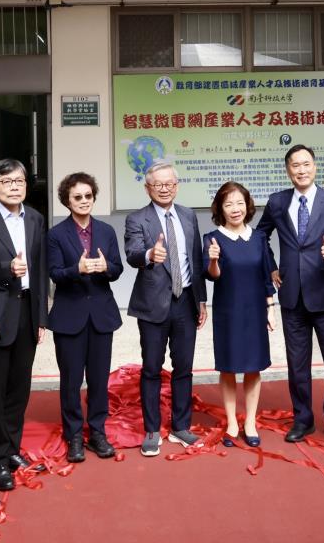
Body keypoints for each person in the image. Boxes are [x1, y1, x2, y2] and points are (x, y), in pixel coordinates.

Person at [256, 144, 324, 444]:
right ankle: (303, 419)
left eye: (306, 164)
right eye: (295, 165)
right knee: (297, 364)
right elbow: (260, 236)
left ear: (315, 166)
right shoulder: (277, 202)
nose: (301, 170)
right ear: (288, 170)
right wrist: (271, 267)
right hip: (291, 294)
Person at [0, 159, 48, 491]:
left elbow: (40, 269)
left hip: (27, 309)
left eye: (19, 181)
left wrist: (41, 316)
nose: (14, 186)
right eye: (7, 181)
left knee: (19, 387)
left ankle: (12, 448)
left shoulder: (35, 218)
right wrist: (7, 269)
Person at [124, 161, 207, 457]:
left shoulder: (188, 215)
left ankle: (181, 426)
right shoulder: (137, 219)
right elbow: (132, 254)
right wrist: (150, 254)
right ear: (147, 188)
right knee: (151, 368)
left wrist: (201, 300)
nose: (164, 189)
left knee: (183, 367)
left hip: (185, 301)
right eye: (158, 184)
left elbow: (196, 259)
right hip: (153, 306)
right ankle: (151, 429)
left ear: (177, 185)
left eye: (169, 183)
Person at [47, 172, 124, 462]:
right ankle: (74, 436)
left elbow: (117, 269)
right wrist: (76, 270)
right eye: (77, 197)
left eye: (88, 196)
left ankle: (98, 432)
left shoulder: (106, 231)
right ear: (67, 201)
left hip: (101, 315)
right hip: (69, 316)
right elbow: (54, 273)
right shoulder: (56, 234)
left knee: (99, 379)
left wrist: (106, 268)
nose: (83, 201)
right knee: (70, 381)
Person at [204, 181, 278, 447]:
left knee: (253, 366)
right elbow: (213, 276)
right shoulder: (212, 238)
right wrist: (214, 259)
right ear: (220, 209)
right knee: (228, 366)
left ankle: (250, 422)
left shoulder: (258, 238)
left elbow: (267, 275)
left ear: (247, 206)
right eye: (228, 204)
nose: (235, 209)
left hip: (255, 309)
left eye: (239, 203)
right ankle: (232, 423)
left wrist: (271, 309)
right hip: (228, 311)